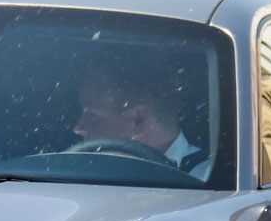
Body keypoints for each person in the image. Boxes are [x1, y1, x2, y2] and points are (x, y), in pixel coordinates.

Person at [73, 71, 210, 180]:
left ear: (139, 120)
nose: (78, 128)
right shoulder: (80, 174)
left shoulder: (204, 181)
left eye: (92, 115)